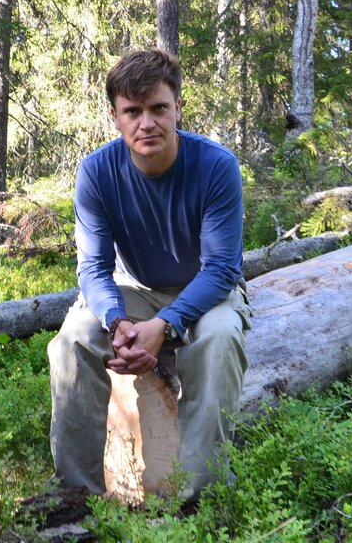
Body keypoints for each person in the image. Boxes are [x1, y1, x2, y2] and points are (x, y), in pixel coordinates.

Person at [48, 47, 252, 500]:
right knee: (73, 340)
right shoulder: (97, 172)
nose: (147, 123)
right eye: (133, 111)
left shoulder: (216, 167)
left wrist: (165, 325)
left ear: (178, 107)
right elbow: (94, 268)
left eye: (159, 108)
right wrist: (117, 322)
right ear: (116, 117)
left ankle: (200, 497)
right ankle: (73, 498)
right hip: (133, 286)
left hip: (205, 290)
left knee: (219, 340)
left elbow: (221, 268)